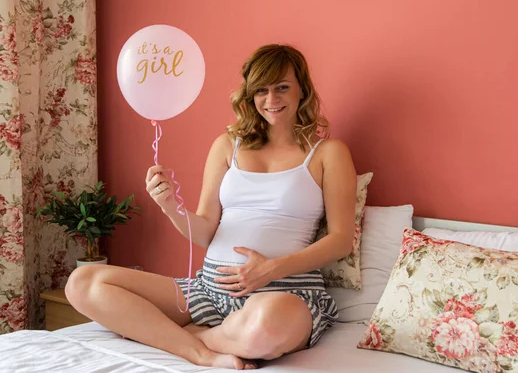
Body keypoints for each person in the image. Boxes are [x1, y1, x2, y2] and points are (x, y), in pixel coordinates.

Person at [65, 44, 357, 370]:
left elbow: (341, 239)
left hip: (285, 292)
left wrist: (272, 269)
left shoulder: (328, 153)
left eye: (282, 87)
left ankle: (175, 336)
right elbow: (205, 230)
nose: (271, 100)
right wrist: (169, 206)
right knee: (82, 282)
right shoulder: (226, 146)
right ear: (249, 94)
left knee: (266, 326)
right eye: (261, 90)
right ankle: (200, 351)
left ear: (302, 88)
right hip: (209, 289)